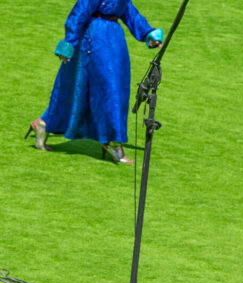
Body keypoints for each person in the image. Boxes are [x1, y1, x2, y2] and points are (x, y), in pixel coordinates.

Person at [27, 0, 163, 164]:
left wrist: (148, 33)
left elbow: (128, 11)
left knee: (113, 89)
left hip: (114, 40)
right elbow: (80, 10)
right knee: (107, 90)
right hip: (95, 38)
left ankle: (44, 123)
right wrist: (69, 42)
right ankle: (112, 142)